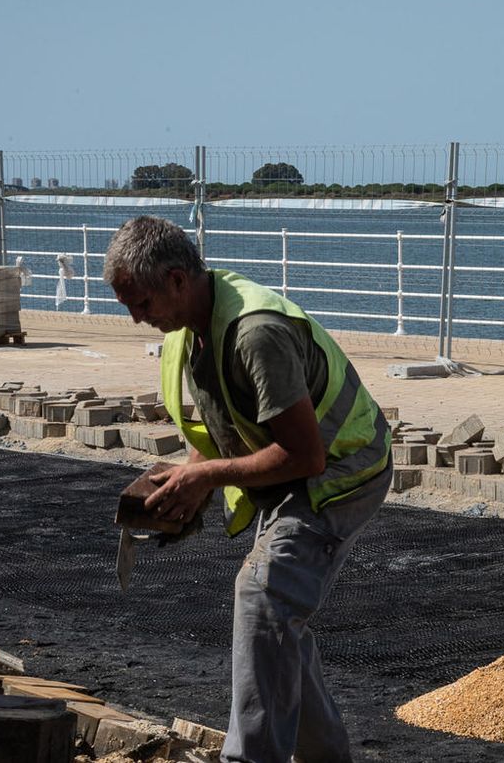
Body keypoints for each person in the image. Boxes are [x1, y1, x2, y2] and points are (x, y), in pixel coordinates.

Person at [103, 215, 390, 763]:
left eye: (140, 302)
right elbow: (223, 424)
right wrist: (191, 478)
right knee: (278, 617)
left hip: (341, 473)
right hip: (302, 471)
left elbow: (304, 455)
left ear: (177, 280)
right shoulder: (189, 331)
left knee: (262, 598)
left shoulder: (257, 334)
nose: (137, 318)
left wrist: (205, 476)